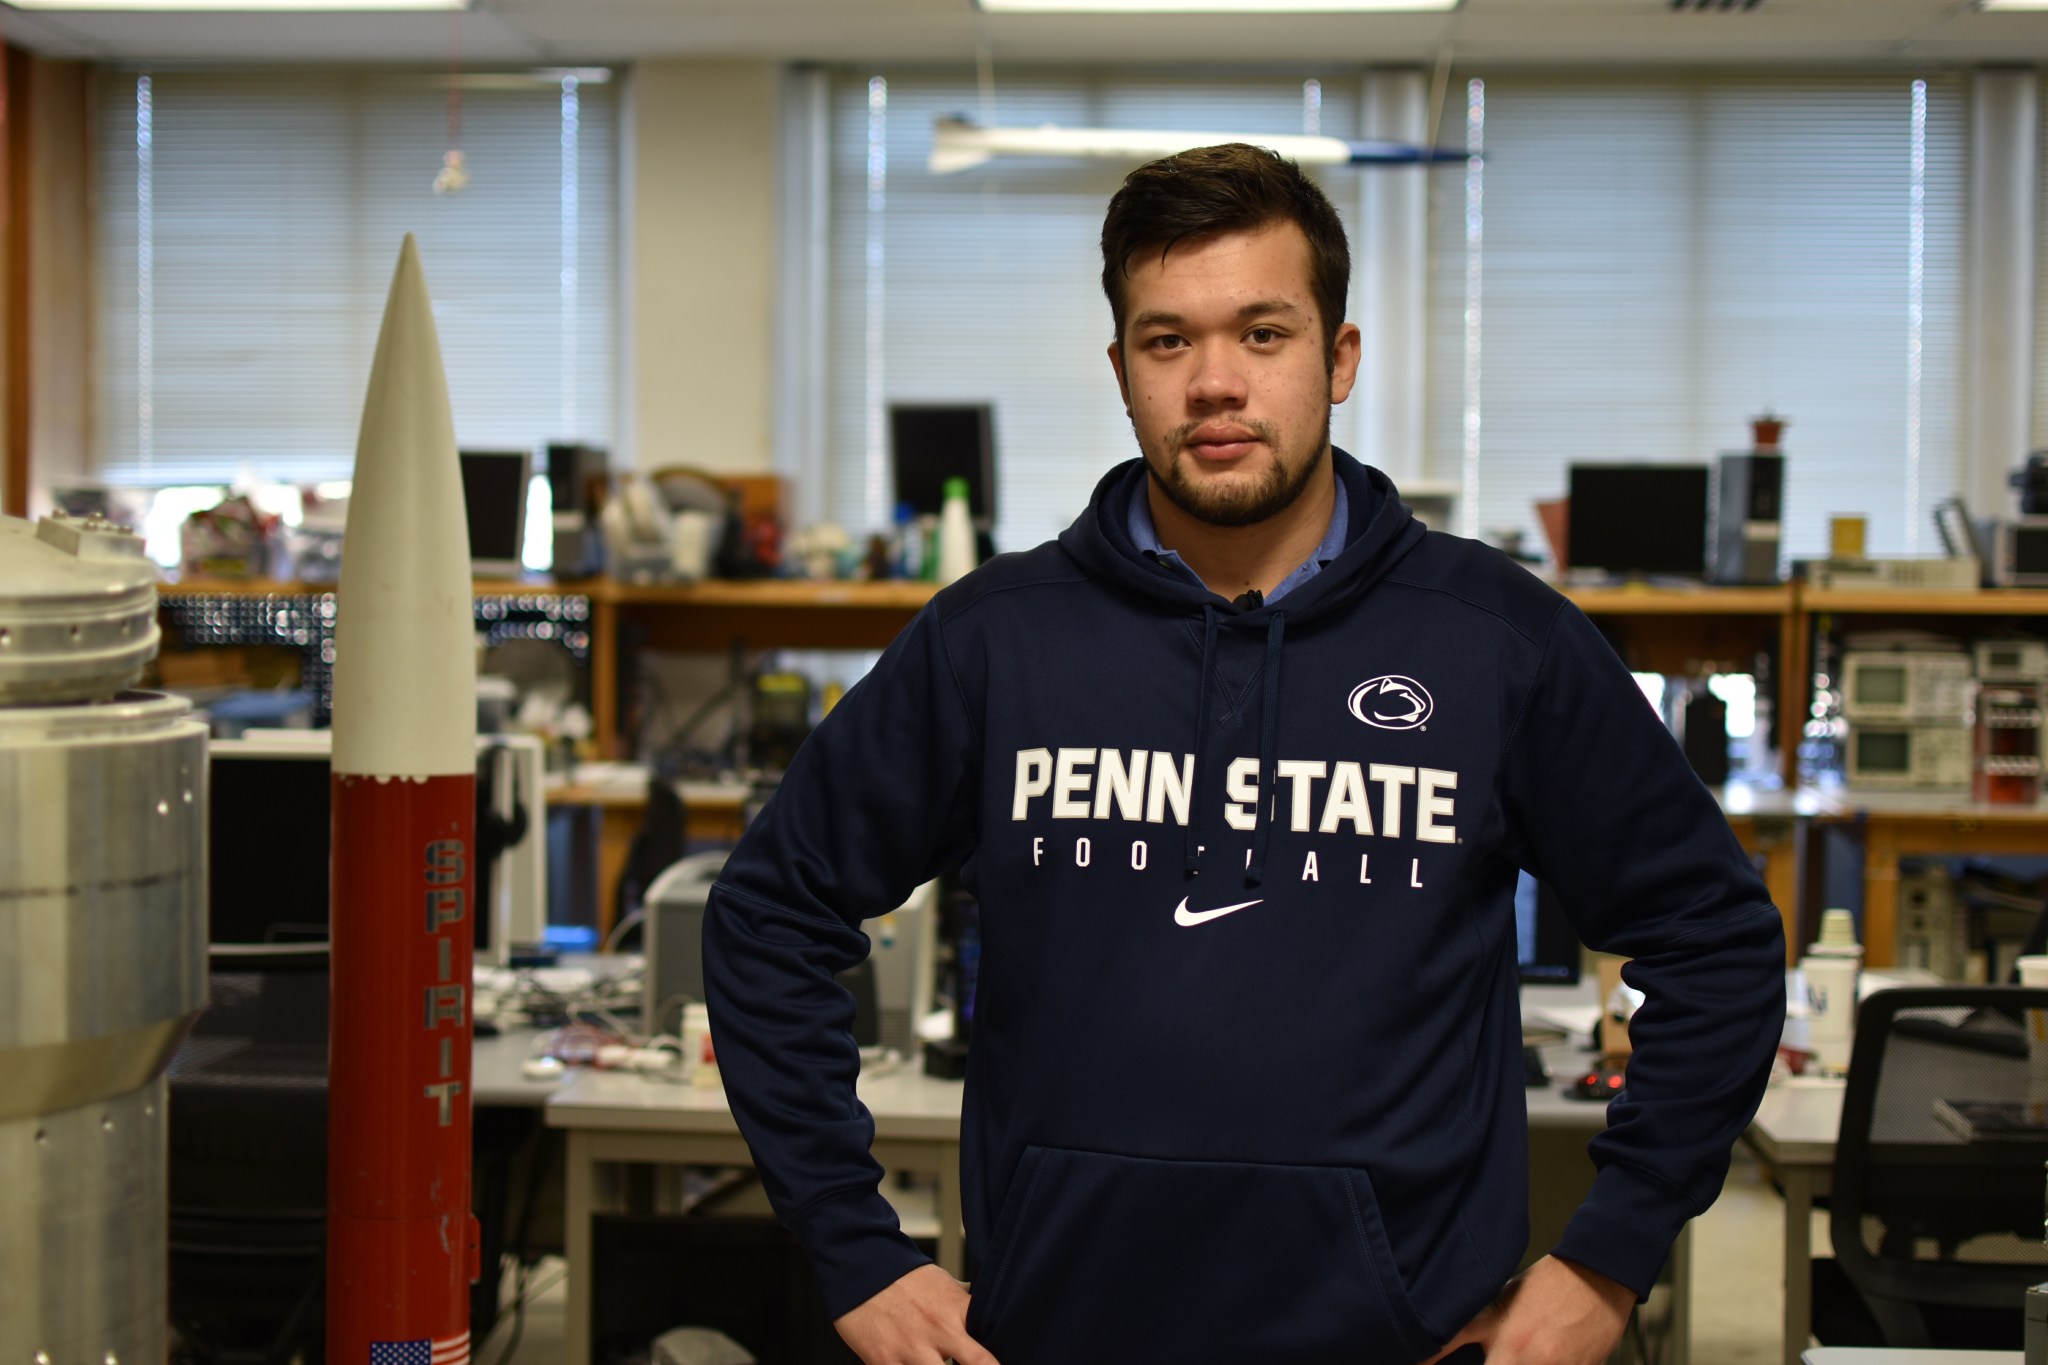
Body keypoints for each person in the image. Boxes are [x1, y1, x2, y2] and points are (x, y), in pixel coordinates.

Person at [703, 142, 1785, 1365]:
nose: (1214, 382)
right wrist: (856, 1253)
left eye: (1262, 334)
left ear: (1338, 359)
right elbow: (768, 918)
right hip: (1056, 1331)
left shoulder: (1497, 641)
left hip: (1405, 1338)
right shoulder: (994, 642)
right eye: (1167, 341)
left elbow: (1716, 941)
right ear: (1121, 372)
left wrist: (1604, 1259)